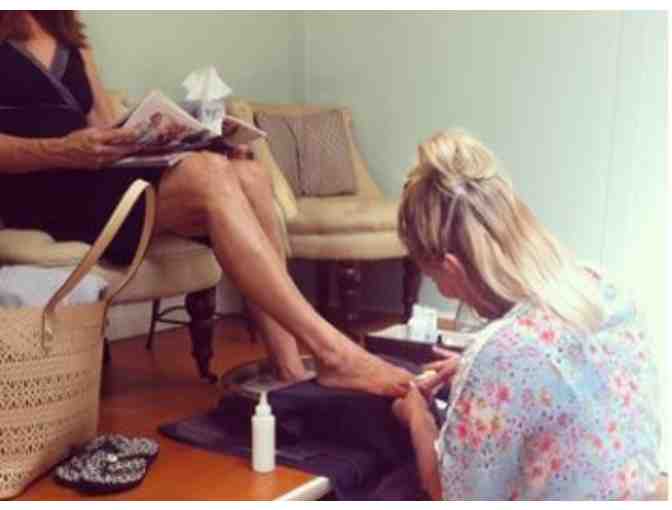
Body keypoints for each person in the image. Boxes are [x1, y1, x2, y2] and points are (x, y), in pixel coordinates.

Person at [0, 10, 412, 397]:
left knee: (248, 174)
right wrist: (61, 150)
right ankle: (333, 352)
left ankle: (288, 367)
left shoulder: (69, 32)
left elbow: (107, 127)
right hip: (40, 191)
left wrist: (174, 136)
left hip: (94, 177)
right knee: (209, 175)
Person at [391, 130, 661, 499]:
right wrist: (476, 373)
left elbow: (454, 498)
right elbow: (564, 379)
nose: (443, 289)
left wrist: (418, 420)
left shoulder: (499, 355)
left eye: (436, 279)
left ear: (452, 268)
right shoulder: (603, 285)